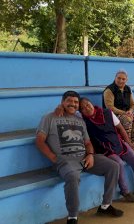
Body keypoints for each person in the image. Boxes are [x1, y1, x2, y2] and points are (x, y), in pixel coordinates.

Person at [35, 91, 123, 224]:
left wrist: (90, 155)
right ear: (62, 102)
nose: (73, 104)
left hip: (84, 157)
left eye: (76, 102)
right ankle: (72, 217)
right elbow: (40, 141)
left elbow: (87, 143)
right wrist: (53, 158)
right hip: (65, 160)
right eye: (69, 101)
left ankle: (105, 206)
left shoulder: (80, 120)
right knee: (72, 176)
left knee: (113, 166)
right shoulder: (49, 118)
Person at [79, 97, 134, 202]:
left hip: (118, 142)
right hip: (104, 148)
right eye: (83, 108)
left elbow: (120, 128)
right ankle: (125, 191)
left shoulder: (107, 113)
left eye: (88, 104)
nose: (87, 108)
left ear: (91, 103)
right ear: (81, 112)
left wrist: (128, 142)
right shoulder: (84, 122)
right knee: (119, 164)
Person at [103, 70, 134, 153]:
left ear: (126, 80)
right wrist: (125, 113)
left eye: (123, 79)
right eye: (119, 78)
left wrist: (130, 111)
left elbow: (133, 104)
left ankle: (133, 143)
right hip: (112, 115)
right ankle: (127, 145)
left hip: (126, 113)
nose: (121, 81)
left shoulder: (128, 89)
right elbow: (110, 108)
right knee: (127, 119)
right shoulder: (109, 90)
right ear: (115, 78)